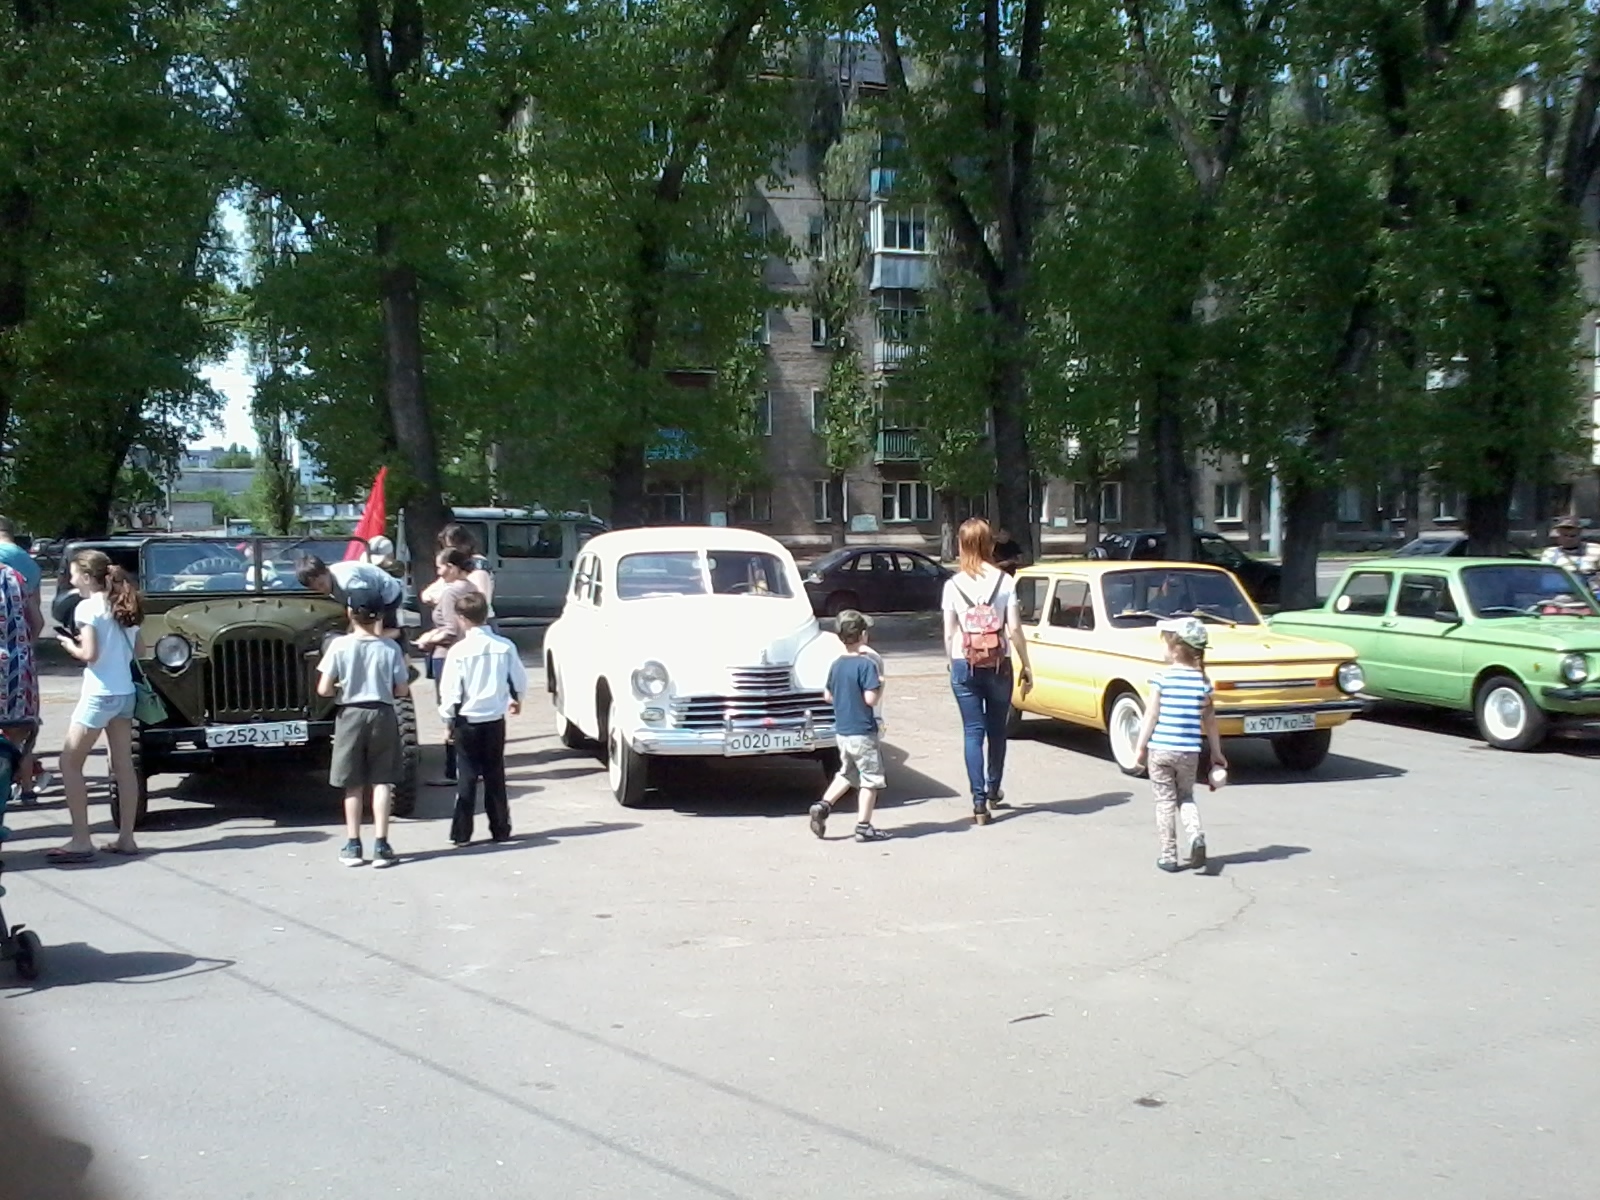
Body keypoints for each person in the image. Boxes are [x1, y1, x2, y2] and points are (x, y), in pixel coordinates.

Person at [52, 550, 143, 861]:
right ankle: (126, 838)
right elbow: (139, 649)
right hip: (126, 694)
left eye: (75, 573)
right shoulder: (124, 604)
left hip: (99, 693)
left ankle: (81, 839)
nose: (70, 578)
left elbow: (90, 654)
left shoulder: (86, 608)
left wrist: (69, 645)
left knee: (69, 763)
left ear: (88, 578)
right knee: (123, 766)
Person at [941, 518, 1033, 825]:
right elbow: (1016, 628)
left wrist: (950, 661)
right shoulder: (1004, 581)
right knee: (997, 730)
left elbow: (949, 632)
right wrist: (1026, 664)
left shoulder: (952, 585)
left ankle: (979, 803)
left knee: (972, 732)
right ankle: (994, 788)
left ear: (962, 545)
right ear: (989, 544)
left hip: (963, 662)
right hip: (998, 663)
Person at [316, 579, 411, 868]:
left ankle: (353, 844)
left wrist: (340, 687)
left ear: (349, 613)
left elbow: (324, 689)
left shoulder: (339, 646)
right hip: (382, 712)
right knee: (382, 781)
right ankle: (381, 845)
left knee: (352, 784)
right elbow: (402, 690)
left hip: (351, 714)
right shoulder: (390, 648)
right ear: (381, 616)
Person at [1132, 617, 1226, 873]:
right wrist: (1217, 754)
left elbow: (1151, 715)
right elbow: (1210, 723)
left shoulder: (1162, 678)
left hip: (1160, 750)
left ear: (1175, 649)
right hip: (1189, 753)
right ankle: (1196, 835)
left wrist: (1140, 748)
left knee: (1164, 802)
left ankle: (1168, 855)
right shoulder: (1203, 683)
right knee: (1186, 797)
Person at [438, 590, 525, 846]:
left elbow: (451, 690)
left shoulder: (459, 651)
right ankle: (500, 828)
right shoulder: (504, 646)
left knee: (466, 776)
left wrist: (448, 720)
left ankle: (462, 833)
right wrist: (516, 699)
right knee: (495, 774)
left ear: (462, 619)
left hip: (466, 719)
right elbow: (518, 678)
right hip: (494, 718)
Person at [809, 610, 889, 842]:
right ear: (864, 635)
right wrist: (880, 685)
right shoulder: (867, 665)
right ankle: (864, 826)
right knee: (870, 779)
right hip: (862, 730)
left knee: (847, 773)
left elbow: (827, 695)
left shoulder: (836, 664)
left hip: (842, 731)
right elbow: (870, 700)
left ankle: (823, 805)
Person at [416, 548, 479, 785]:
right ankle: (467, 767)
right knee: (464, 709)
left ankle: (453, 770)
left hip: (446, 655)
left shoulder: (451, 592)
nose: (439, 573)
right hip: (466, 654)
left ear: (452, 567)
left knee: (449, 711)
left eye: (441, 568)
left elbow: (451, 630)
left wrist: (426, 640)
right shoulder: (471, 588)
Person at [0, 517, 44, 799]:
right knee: (19, 732)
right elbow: (37, 620)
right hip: (18, 663)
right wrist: (23, 646)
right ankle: (26, 788)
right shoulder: (23, 570)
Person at [295, 555, 405, 638]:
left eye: (321, 584)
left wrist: (370, 631)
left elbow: (369, 602)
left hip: (386, 594)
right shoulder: (331, 583)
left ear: (327, 571)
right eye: (315, 589)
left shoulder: (347, 582)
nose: (321, 590)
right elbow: (351, 605)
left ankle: (400, 634)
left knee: (373, 636)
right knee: (357, 634)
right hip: (367, 594)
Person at [436, 523, 495, 614]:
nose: (449, 552)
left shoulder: (477, 564)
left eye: (452, 547)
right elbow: (428, 594)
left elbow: (480, 601)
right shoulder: (455, 566)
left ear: (464, 544)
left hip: (477, 621)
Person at [1539, 516, 1600, 592]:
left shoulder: (1596, 549)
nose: (1568, 539)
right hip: (1561, 594)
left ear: (1580, 533)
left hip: (1591, 595)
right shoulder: (1550, 553)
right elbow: (1546, 576)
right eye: (1565, 535)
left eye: (1572, 536)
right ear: (1558, 535)